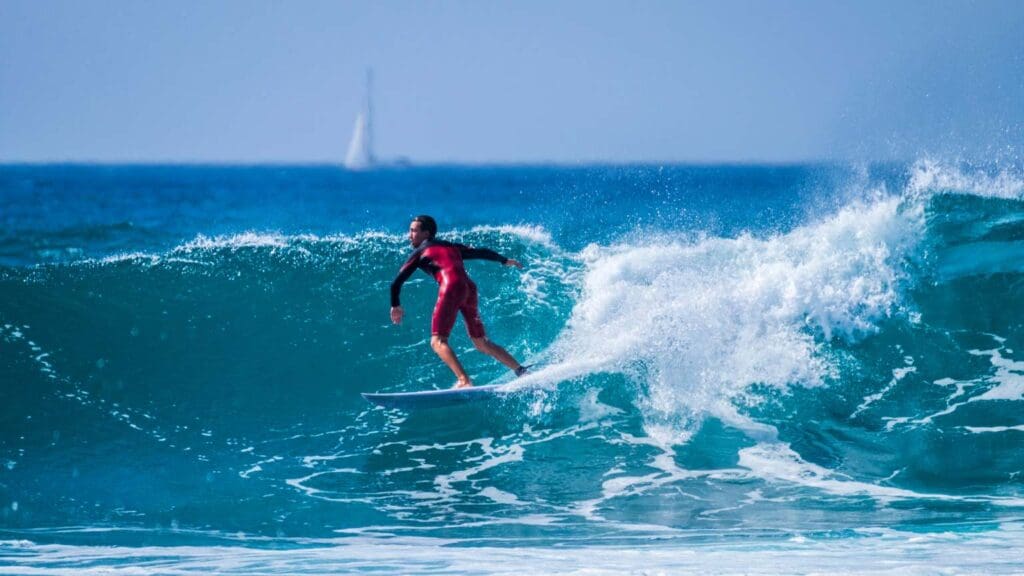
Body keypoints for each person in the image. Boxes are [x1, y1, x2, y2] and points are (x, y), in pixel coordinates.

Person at [390, 215, 528, 388]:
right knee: (481, 342)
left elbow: (396, 281)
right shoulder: (450, 246)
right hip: (469, 289)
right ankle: (521, 370)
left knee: (437, 342)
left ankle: (464, 380)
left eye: (413, 231)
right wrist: (504, 260)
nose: (409, 235)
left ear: (426, 234)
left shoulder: (420, 252)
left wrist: (395, 305)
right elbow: (481, 252)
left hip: (451, 287)